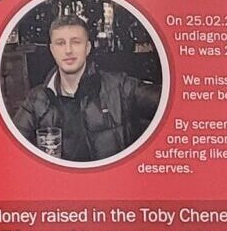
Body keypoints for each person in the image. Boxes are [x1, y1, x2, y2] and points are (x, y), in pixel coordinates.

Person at [12, 12, 162, 161]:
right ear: (52, 50)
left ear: (88, 47)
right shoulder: (36, 100)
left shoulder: (119, 87)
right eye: (60, 43)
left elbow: (173, 100)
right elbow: (11, 149)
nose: (68, 50)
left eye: (76, 42)